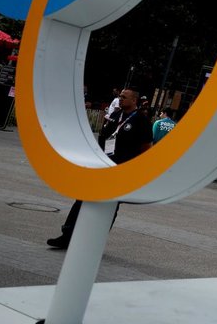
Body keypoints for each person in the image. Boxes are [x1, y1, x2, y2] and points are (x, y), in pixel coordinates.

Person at [47, 88, 152, 249]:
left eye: (124, 97)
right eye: (120, 96)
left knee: (109, 206)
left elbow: (146, 149)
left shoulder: (141, 121)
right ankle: (67, 235)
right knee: (83, 197)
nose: (120, 99)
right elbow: (104, 138)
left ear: (134, 101)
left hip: (121, 170)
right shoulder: (115, 116)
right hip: (102, 165)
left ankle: (93, 242)